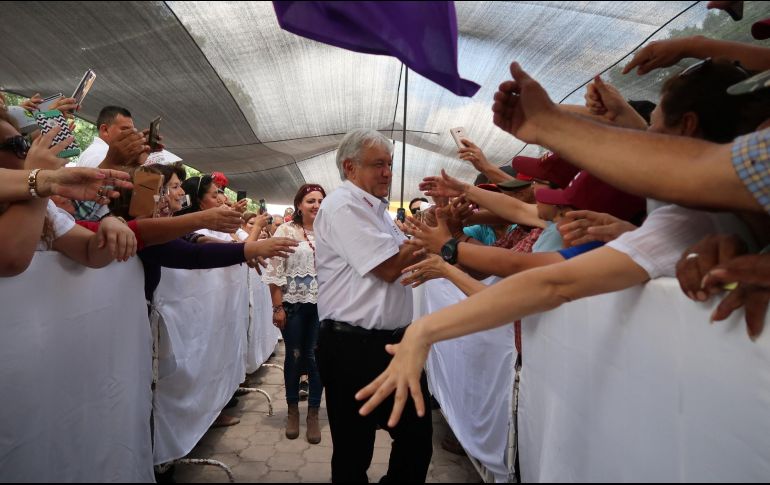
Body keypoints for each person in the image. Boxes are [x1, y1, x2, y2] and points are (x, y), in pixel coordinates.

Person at [355, 58, 768, 426]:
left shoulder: (687, 222)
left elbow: (552, 281)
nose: (645, 139)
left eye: (652, 130)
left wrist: (428, 321)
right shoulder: (705, 213)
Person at [314, 129, 432, 483]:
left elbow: (403, 260)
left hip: (392, 345)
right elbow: (389, 268)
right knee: (354, 451)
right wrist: (428, 233)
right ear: (349, 166)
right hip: (353, 348)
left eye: (390, 165)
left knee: (416, 440)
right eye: (378, 164)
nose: (387, 173)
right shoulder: (343, 205)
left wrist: (431, 236)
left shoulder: (376, 210)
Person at [264, 183, 327, 444]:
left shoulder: (330, 231)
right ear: (299, 204)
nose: (316, 205)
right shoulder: (285, 230)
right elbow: (275, 271)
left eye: (320, 201)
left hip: (324, 305)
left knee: (317, 358)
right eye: (311, 201)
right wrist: (278, 307)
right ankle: (292, 411)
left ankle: (313, 413)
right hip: (294, 304)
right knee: (295, 354)